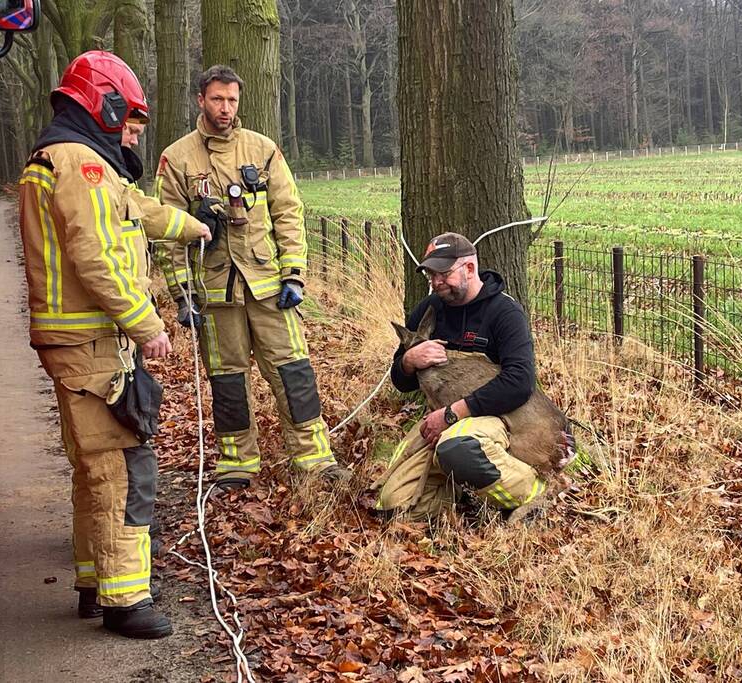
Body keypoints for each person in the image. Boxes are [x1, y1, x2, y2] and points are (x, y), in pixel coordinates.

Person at [18, 50, 206, 639]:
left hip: (77, 341)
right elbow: (97, 256)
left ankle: (93, 582)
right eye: (129, 120)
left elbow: (134, 212)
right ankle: (125, 602)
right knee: (122, 468)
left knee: (91, 468)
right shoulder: (81, 164)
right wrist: (147, 324)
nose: (131, 133)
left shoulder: (63, 159)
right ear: (104, 104)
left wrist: (193, 225)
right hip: (93, 341)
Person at [155, 65, 350, 491]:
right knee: (227, 379)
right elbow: (166, 233)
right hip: (215, 289)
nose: (225, 108)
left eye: (232, 100)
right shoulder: (178, 158)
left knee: (293, 371)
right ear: (199, 100)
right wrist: (182, 294)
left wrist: (294, 274)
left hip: (267, 285)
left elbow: (289, 213)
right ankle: (237, 462)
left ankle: (315, 457)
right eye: (217, 99)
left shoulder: (262, 150)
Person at [374, 233, 556, 522]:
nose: (436, 282)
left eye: (443, 274)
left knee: (457, 447)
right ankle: (458, 489)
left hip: (497, 417)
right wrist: (409, 361)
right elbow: (401, 382)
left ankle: (535, 491)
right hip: (442, 420)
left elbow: (520, 382)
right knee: (394, 505)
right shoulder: (428, 310)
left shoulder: (504, 312)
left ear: (469, 269)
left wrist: (452, 414)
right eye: (431, 275)